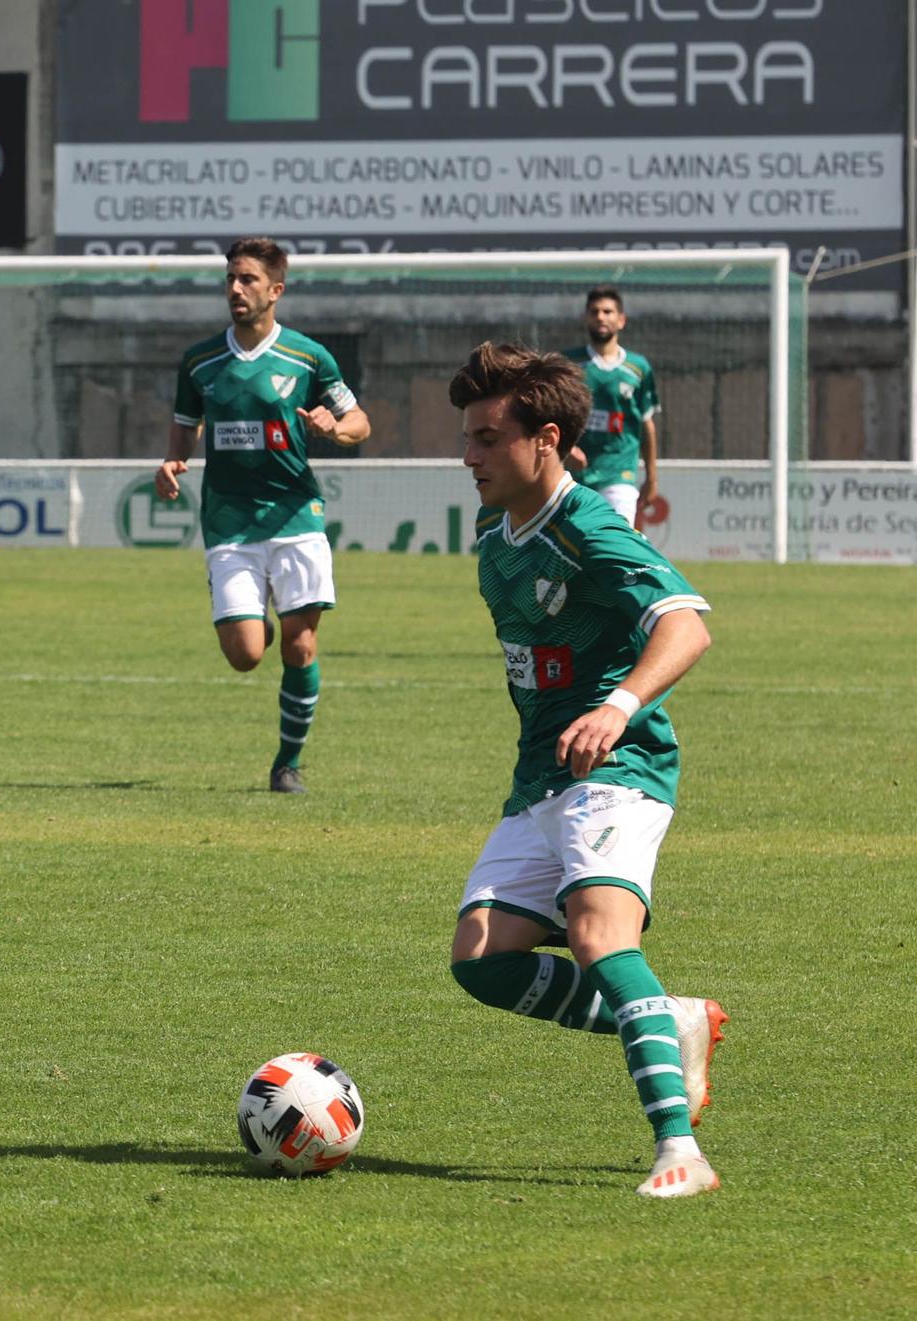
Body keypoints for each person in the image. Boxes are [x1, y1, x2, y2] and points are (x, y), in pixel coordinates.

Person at [447, 342, 725, 1200]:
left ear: (547, 439)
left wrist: (617, 705)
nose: (471, 455)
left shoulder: (589, 529)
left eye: (490, 437)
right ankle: (670, 1019)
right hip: (541, 776)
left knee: (602, 935)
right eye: (469, 437)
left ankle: (681, 1150)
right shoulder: (496, 533)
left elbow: (686, 625)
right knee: (482, 957)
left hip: (621, 765)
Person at [155, 236, 369, 794]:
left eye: (247, 279)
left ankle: (287, 763)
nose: (234, 289)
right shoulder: (200, 361)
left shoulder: (308, 357)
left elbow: (360, 424)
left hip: (297, 515)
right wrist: (174, 459)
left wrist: (333, 428)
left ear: (276, 289)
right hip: (230, 520)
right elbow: (185, 424)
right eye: (230, 278)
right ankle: (256, 615)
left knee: (300, 645)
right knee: (247, 655)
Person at [562, 287, 660, 529]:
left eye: (608, 311)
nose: (601, 317)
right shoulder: (568, 364)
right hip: (574, 475)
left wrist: (652, 477)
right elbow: (550, 414)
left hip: (619, 472)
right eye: (594, 311)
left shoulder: (638, 368)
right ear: (586, 318)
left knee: (614, 539)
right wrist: (567, 447)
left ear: (621, 320)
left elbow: (646, 424)